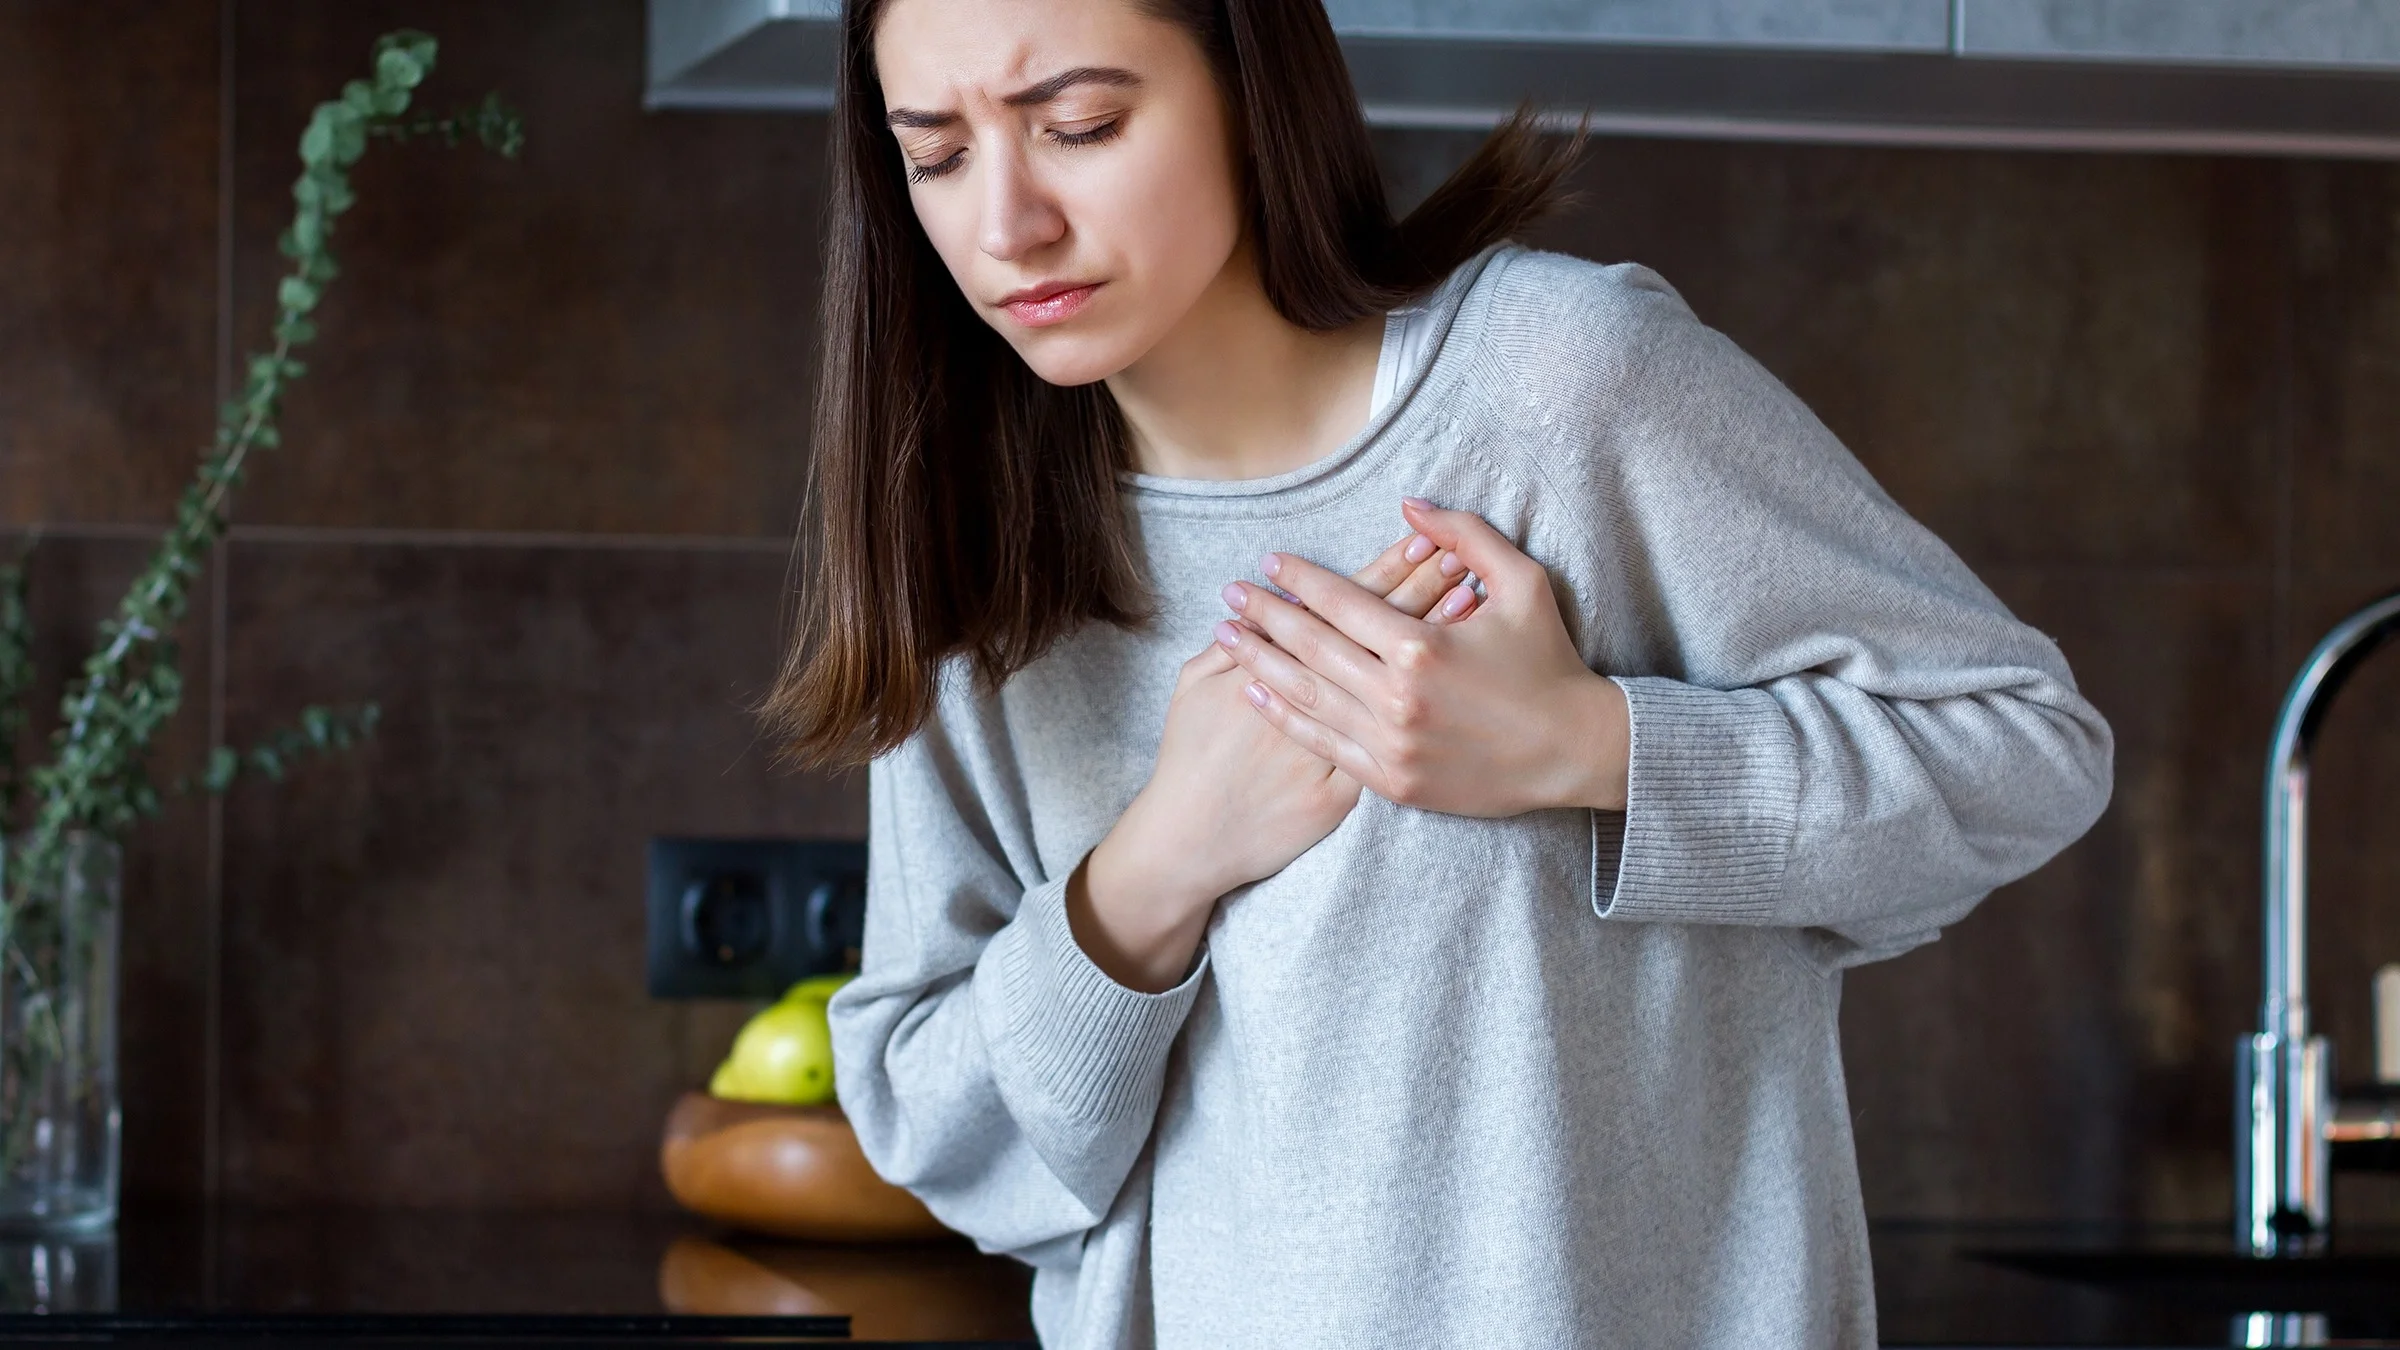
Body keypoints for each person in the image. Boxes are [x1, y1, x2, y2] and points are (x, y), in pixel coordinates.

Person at [757, 0, 2116, 1345]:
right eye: (934, 154)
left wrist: (1586, 747)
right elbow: (937, 1129)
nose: (1005, 226)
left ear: (1249, 85)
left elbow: (2018, 752)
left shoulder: (1561, 387)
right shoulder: (971, 548)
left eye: (1081, 125)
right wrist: (1158, 866)